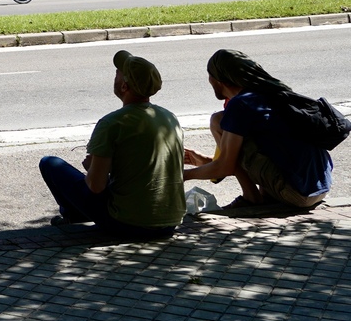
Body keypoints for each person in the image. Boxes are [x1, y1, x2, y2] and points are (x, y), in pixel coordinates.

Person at [39, 50, 186, 239]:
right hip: (169, 223)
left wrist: (91, 167)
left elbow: (96, 186)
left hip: (127, 224)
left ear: (124, 86)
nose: (114, 75)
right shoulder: (169, 117)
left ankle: (73, 216)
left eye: (118, 72)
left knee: (50, 163)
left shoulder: (113, 123)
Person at [183, 49, 331, 209]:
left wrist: (182, 175)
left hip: (297, 194)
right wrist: (205, 162)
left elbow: (226, 166)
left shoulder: (240, 105)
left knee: (218, 120)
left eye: (210, 74)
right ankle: (265, 195)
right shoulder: (269, 93)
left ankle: (251, 197)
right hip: (320, 188)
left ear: (220, 80)